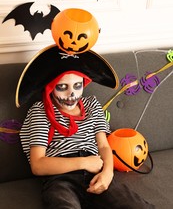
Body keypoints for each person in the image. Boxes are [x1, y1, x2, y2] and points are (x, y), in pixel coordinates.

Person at [18, 45, 155, 209]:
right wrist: (84, 162)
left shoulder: (92, 105)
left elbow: (104, 145)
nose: (72, 94)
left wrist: (107, 173)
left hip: (96, 171)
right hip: (60, 178)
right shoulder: (39, 112)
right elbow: (38, 165)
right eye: (62, 87)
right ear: (50, 87)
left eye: (77, 85)